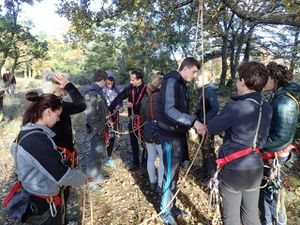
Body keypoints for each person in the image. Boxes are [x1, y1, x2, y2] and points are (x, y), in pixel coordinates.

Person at [198, 61, 273, 225]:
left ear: (243, 81)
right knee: (251, 215)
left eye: (238, 78)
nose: (237, 81)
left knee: (231, 217)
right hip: (256, 168)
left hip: (234, 170)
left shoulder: (236, 106)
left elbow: (211, 127)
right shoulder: (266, 107)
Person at [4, 91, 86, 225]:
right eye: (57, 115)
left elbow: (16, 151)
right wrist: (83, 179)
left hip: (32, 193)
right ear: (48, 112)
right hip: (42, 201)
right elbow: (62, 175)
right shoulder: (36, 140)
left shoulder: (26, 132)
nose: (59, 119)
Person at [157, 57, 203, 225]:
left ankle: (171, 205)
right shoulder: (171, 81)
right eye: (194, 71)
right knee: (170, 173)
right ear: (186, 68)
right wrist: (192, 121)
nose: (195, 76)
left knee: (175, 172)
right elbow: (169, 110)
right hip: (169, 136)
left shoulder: (181, 84)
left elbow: (180, 108)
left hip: (177, 134)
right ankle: (164, 211)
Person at [259, 62, 300, 225]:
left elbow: (281, 138)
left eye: (265, 78)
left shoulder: (285, 102)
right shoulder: (275, 95)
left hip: (276, 156)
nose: (262, 82)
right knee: (266, 195)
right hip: (269, 154)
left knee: (273, 196)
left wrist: (258, 144)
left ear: (274, 78)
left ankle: (278, 222)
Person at [43, 73, 86, 224]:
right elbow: (81, 104)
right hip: (60, 156)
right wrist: (69, 85)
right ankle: (59, 220)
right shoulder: (57, 105)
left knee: (55, 190)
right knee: (61, 191)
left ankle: (59, 218)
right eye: (63, 90)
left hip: (50, 154)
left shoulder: (41, 103)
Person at [108, 69, 147, 172]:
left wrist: (133, 105)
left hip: (143, 120)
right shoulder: (130, 88)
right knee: (133, 141)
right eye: (130, 80)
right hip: (132, 119)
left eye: (133, 80)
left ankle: (144, 164)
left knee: (144, 142)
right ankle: (135, 162)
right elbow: (119, 97)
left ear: (139, 80)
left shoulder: (146, 89)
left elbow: (146, 106)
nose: (131, 82)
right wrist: (110, 108)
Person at [84, 70, 108, 192]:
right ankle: (91, 183)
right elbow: (91, 114)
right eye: (105, 81)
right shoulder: (92, 93)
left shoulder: (98, 91)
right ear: (102, 80)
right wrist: (98, 130)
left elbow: (102, 110)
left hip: (101, 128)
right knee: (94, 156)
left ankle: (97, 176)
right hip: (96, 130)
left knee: (99, 154)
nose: (106, 84)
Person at [140, 75, 164, 192]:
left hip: (147, 129)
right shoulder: (162, 97)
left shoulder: (144, 100)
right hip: (159, 130)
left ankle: (152, 182)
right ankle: (159, 184)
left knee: (151, 157)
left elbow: (142, 118)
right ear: (161, 85)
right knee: (162, 159)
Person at [195, 72, 219, 179]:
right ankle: (205, 170)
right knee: (204, 147)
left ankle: (211, 174)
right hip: (202, 123)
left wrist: (204, 119)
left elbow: (215, 108)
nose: (196, 82)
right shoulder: (203, 90)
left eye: (198, 80)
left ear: (207, 79)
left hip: (207, 124)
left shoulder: (209, 90)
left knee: (208, 148)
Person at [103, 73, 123, 168]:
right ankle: (102, 156)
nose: (110, 83)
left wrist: (119, 108)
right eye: (108, 82)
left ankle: (109, 157)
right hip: (105, 117)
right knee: (104, 136)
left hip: (114, 116)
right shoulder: (103, 91)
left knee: (112, 136)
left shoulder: (117, 90)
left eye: (111, 82)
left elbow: (120, 102)